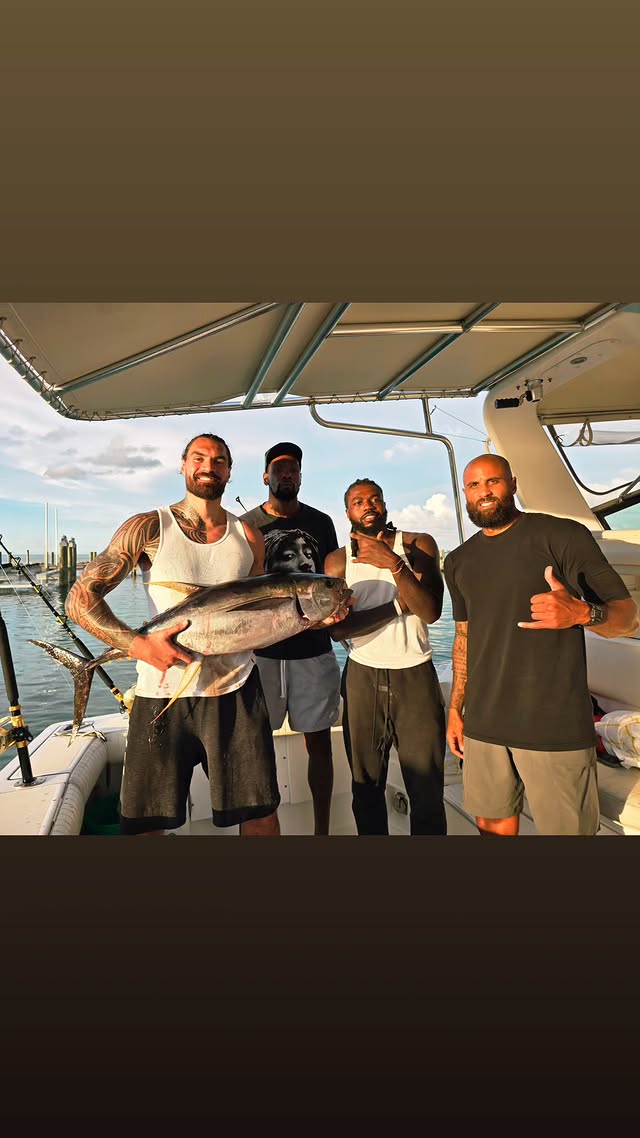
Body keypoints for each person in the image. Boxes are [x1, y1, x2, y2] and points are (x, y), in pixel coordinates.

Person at [65, 433, 282, 836]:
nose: (208, 466)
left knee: (259, 813)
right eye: (199, 458)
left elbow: (256, 615)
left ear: (230, 473)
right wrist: (138, 644)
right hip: (161, 692)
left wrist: (305, 618)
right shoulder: (148, 527)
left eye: (219, 461)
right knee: (146, 821)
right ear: (182, 465)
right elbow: (80, 599)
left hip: (237, 690)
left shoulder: (249, 536)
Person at [443, 453, 640, 837]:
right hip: (484, 723)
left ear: (513, 484)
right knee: (492, 829)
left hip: (554, 724)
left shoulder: (562, 536)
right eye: (474, 485)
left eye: (493, 482)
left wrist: (583, 614)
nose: (484, 493)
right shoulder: (459, 560)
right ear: (464, 494)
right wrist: (455, 707)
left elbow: (628, 617)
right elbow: (464, 637)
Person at [324, 478, 447, 836]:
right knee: (365, 788)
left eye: (375, 499)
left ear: (385, 505)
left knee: (426, 792)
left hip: (415, 677)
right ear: (348, 512)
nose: (369, 505)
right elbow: (339, 630)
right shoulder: (337, 560)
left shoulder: (417, 544)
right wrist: (396, 605)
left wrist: (394, 563)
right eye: (359, 501)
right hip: (363, 677)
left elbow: (430, 610)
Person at [241, 442, 344, 835]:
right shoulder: (245, 524)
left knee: (318, 743)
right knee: (257, 746)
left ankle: (322, 831)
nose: (286, 474)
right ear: (265, 476)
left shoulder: (321, 521)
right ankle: (268, 828)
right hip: (260, 655)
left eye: (293, 468)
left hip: (314, 652)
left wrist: (335, 608)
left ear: (300, 476)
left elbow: (335, 578)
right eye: (278, 468)